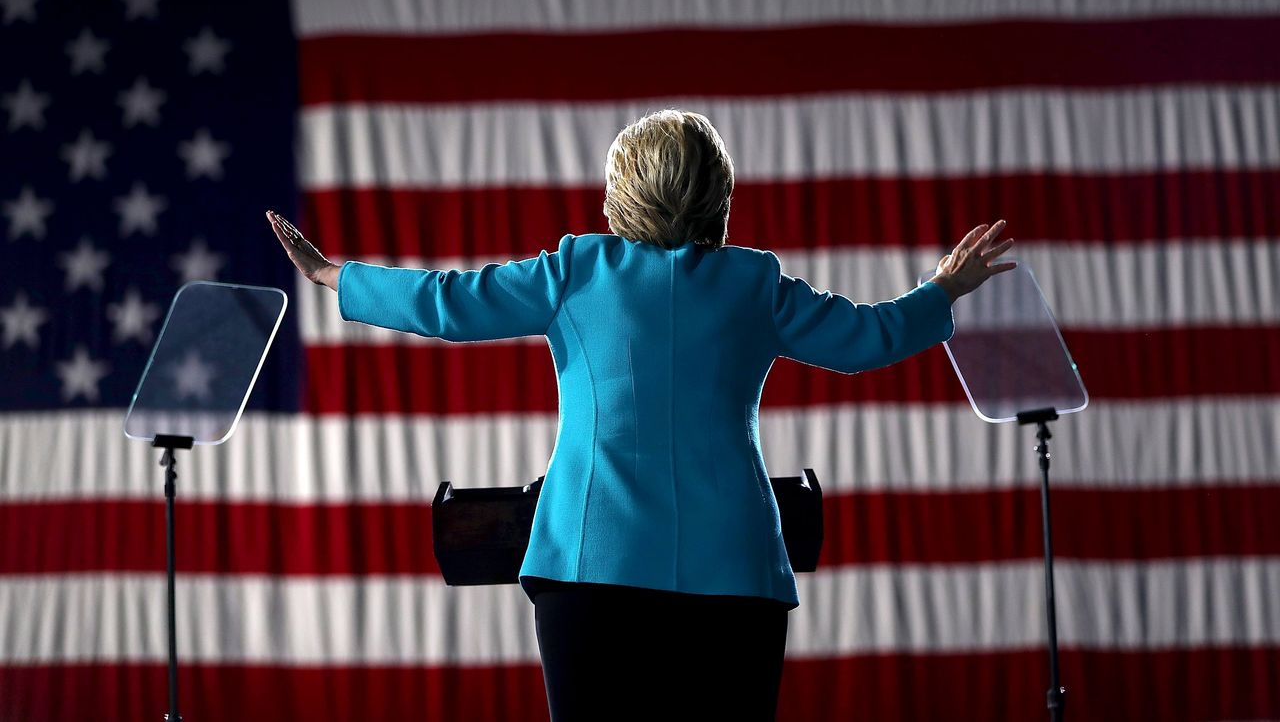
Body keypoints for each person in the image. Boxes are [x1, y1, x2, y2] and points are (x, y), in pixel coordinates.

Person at [267, 108, 1015, 722]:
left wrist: (337, 276)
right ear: (716, 192)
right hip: (734, 575)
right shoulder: (754, 281)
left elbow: (448, 302)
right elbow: (866, 338)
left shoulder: (574, 270)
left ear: (623, 193)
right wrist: (943, 289)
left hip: (592, 572)